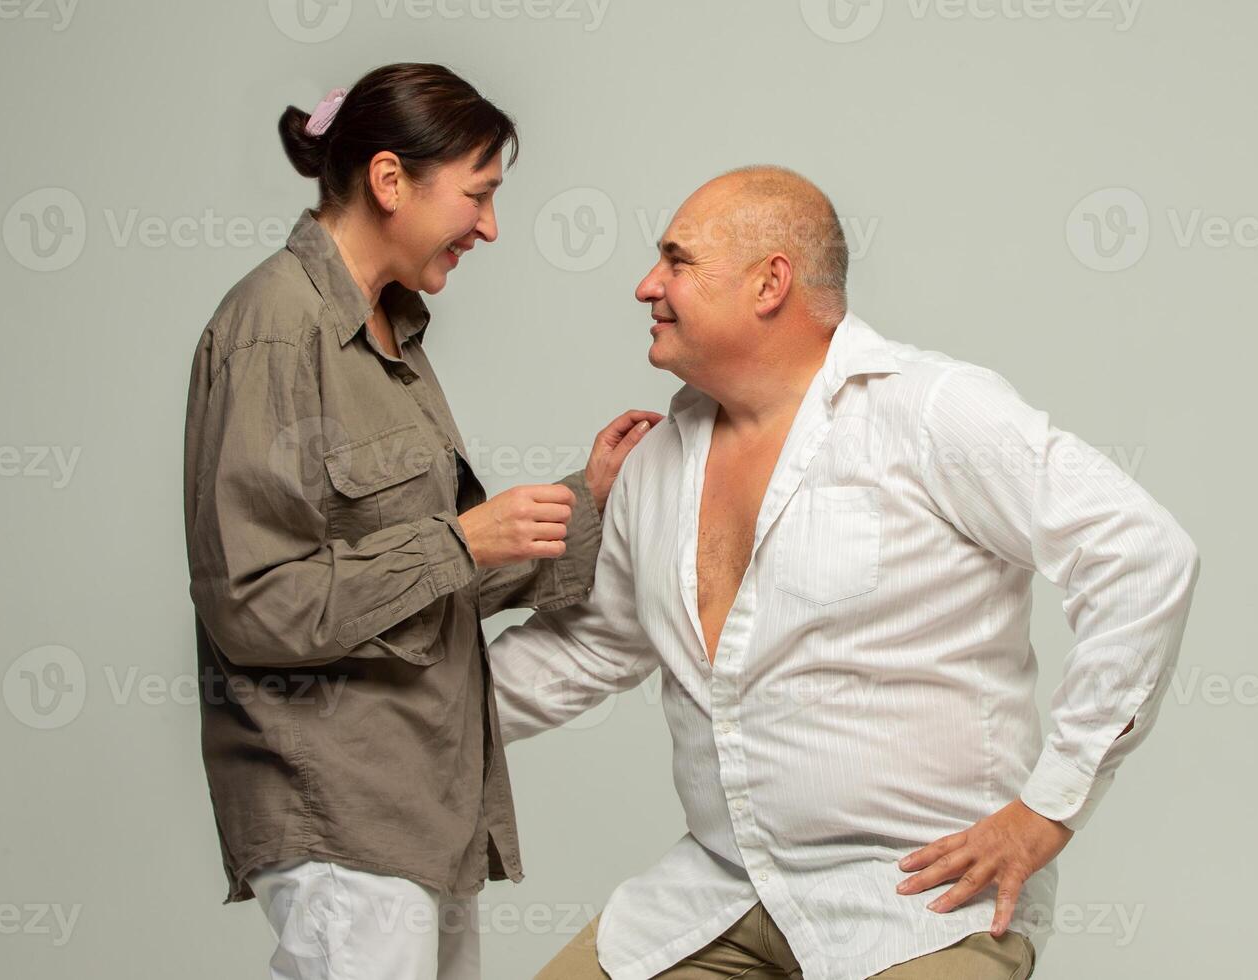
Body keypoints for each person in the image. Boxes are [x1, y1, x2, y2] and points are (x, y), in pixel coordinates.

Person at [487, 165, 1201, 980]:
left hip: (918, 905)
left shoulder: (930, 410)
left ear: (770, 283)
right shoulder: (656, 460)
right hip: (718, 890)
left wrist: (1050, 808)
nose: (647, 285)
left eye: (677, 261)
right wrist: (376, 721)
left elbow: (1141, 554)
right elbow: (590, 649)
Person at [180, 63, 659, 980]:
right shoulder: (275, 331)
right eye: (477, 196)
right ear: (390, 179)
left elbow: (425, 583)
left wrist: (588, 495)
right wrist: (458, 540)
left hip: (418, 804)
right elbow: (253, 603)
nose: (490, 227)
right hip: (340, 810)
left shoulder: (390, 334)